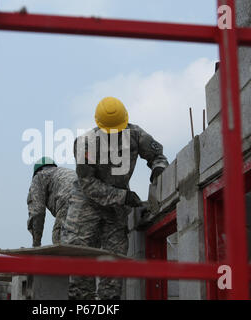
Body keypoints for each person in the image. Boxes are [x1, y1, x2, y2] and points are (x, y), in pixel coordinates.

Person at [62, 97, 168, 300]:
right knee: (79, 257)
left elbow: (158, 156)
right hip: (87, 202)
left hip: (116, 207)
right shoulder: (85, 144)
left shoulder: (136, 135)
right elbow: (88, 184)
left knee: (114, 263)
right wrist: (123, 196)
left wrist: (158, 169)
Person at [27, 157, 77, 247]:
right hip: (91, 199)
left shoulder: (39, 176)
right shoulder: (65, 172)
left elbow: (37, 212)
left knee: (59, 238)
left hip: (69, 201)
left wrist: (36, 244)